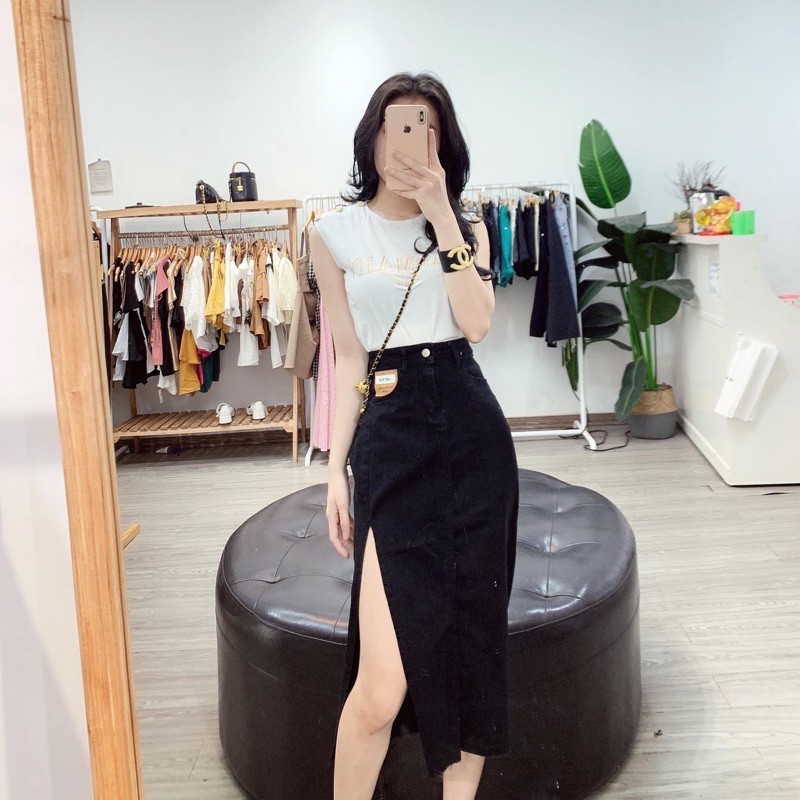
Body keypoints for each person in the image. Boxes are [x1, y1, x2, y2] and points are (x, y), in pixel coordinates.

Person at [310, 71, 519, 800]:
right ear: (372, 137)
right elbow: (348, 356)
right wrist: (334, 469)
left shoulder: (464, 225)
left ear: (442, 143)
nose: (407, 141)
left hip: (472, 433)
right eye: (396, 124)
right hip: (392, 436)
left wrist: (439, 211)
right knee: (380, 686)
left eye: (424, 127)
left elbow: (478, 324)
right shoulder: (332, 234)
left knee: (472, 655)